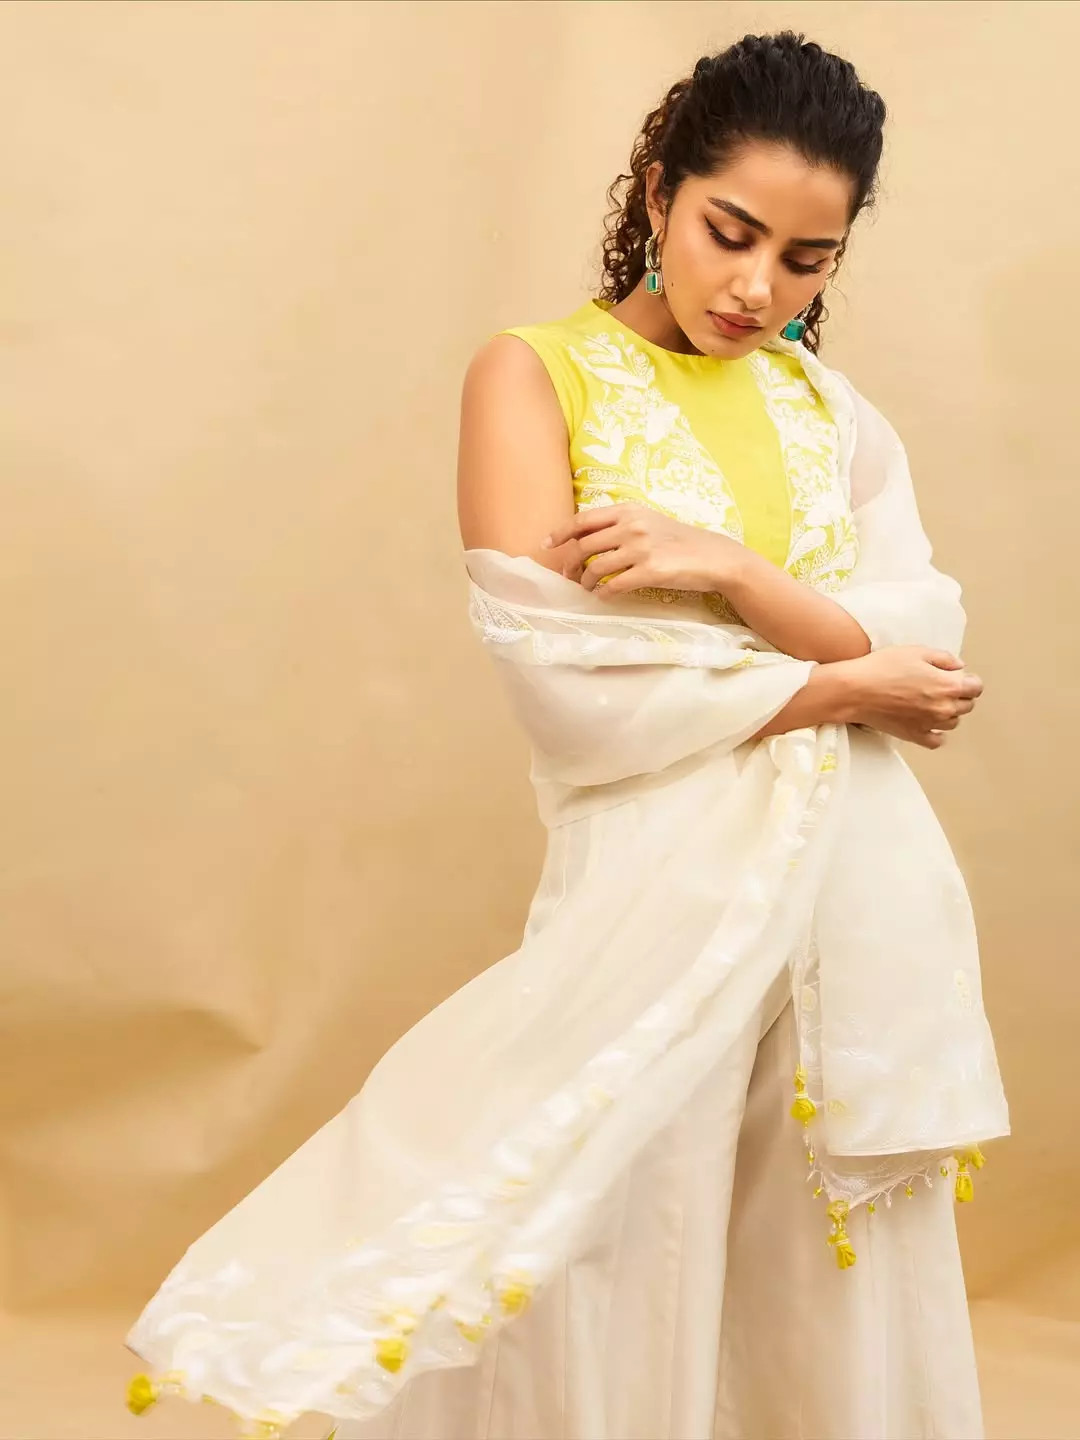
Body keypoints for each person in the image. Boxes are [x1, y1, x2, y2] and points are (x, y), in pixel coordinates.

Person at [124, 32, 1009, 1440]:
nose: (757, 288)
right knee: (621, 1246)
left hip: (858, 905)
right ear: (659, 191)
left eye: (808, 259)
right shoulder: (534, 378)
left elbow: (928, 645)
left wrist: (731, 573)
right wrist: (839, 679)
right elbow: (571, 676)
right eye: (730, 232)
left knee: (817, 1277)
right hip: (658, 897)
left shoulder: (831, 412)